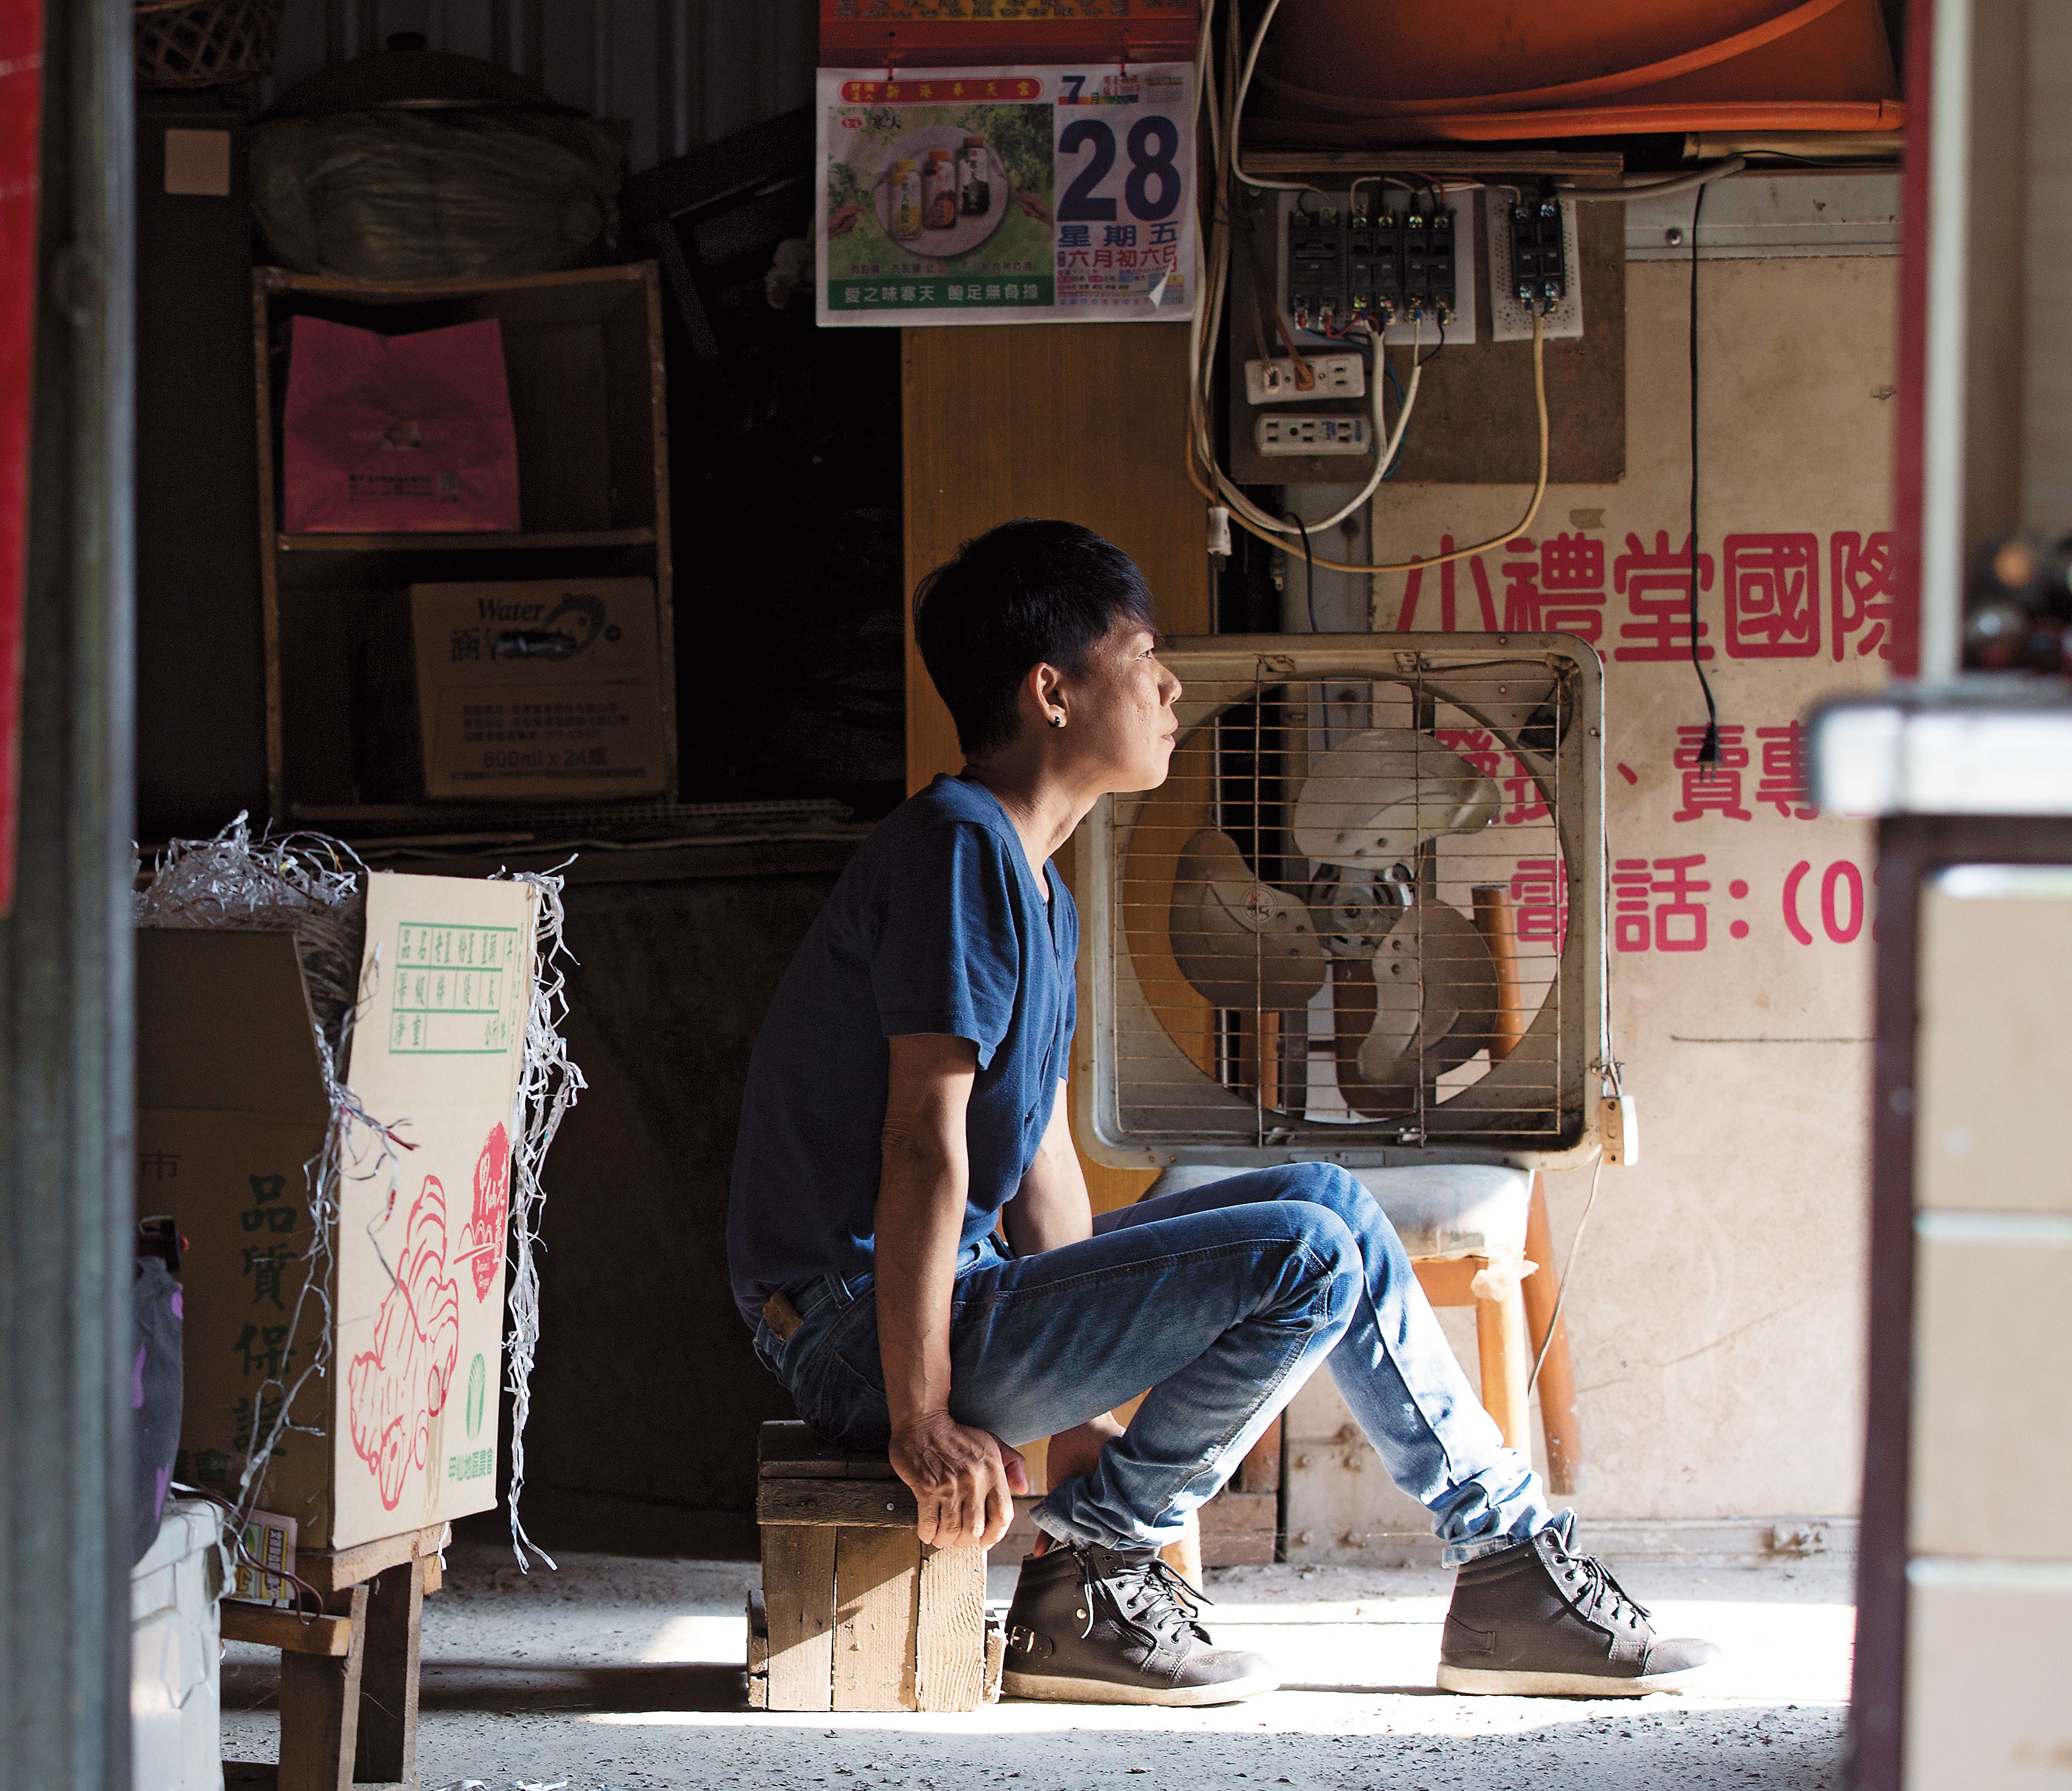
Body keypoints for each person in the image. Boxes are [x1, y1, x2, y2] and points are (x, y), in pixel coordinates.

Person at [724, 517, 1717, 1706]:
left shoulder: (1034, 877)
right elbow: (924, 1147)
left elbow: (1035, 1155)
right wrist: (921, 1412)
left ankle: (1504, 1561)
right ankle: (1100, 1560)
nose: (1169, 684)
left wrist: (1084, 1409)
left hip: (951, 1290)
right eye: (1141, 655)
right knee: (1302, 1255)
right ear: (1052, 690)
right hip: (849, 1323)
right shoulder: (956, 851)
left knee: (1329, 1201)